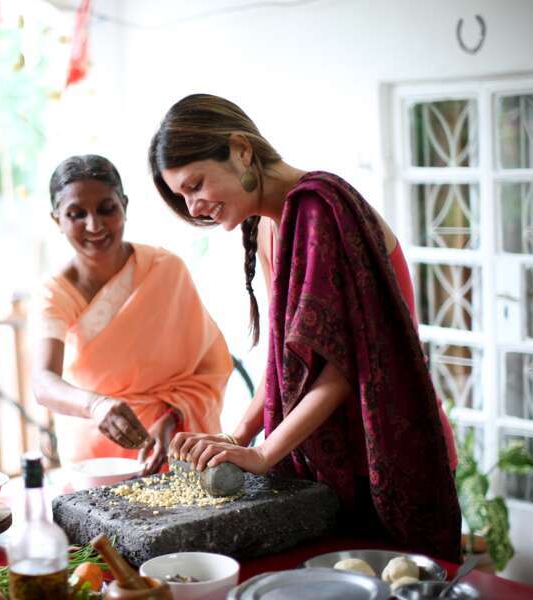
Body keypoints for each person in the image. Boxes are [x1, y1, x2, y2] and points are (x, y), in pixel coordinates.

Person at [149, 94, 461, 561]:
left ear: (241, 150)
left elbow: (341, 369)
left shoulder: (318, 208)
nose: (194, 207)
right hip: (332, 467)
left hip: (384, 460)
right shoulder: (267, 225)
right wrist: (238, 436)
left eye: (195, 185)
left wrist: (263, 453)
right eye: (182, 197)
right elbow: (285, 362)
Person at [32, 154, 233, 475]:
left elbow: (211, 365)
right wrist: (97, 405)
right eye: (76, 214)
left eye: (106, 209)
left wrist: (175, 416)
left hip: (175, 444)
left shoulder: (166, 269)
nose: (94, 225)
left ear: (124, 205)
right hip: (97, 455)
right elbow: (44, 382)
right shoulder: (55, 292)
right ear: (57, 220)